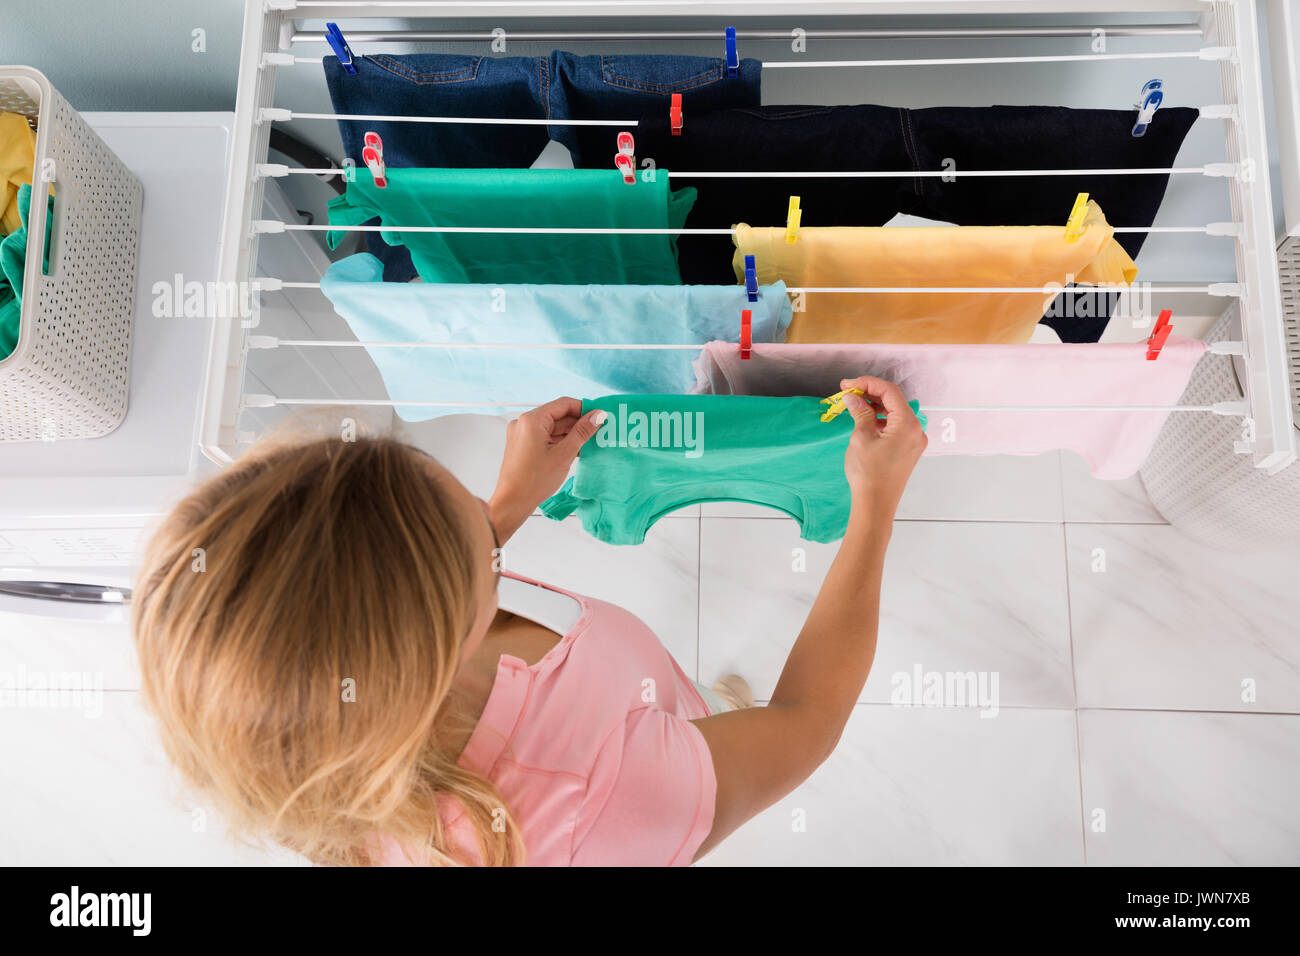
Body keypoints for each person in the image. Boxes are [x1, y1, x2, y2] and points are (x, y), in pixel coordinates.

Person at [131, 375, 926, 866]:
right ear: (433, 631)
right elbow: (807, 718)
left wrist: (509, 505)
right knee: (732, 734)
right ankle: (706, 726)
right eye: (482, 534)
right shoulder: (601, 796)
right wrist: (875, 504)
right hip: (639, 785)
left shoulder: (308, 749)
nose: (494, 517)